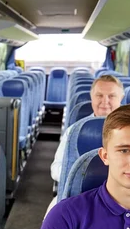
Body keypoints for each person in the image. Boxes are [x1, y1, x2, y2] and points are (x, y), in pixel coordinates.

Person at [47, 75, 124, 213]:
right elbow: (56, 168)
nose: (104, 101)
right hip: (79, 194)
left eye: (111, 96)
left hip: (123, 197)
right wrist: (79, 176)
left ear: (121, 98)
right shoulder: (74, 131)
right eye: (99, 95)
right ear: (91, 97)